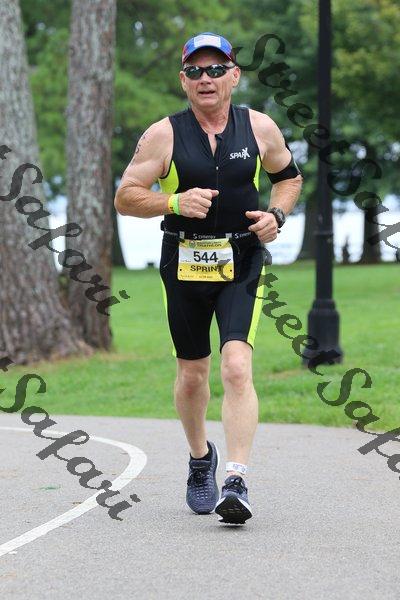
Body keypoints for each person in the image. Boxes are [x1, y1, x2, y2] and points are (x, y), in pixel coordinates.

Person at [114, 32, 303, 524]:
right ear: (183, 80)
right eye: (195, 71)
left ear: (234, 76)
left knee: (236, 366)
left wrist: (277, 216)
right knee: (193, 372)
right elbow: (126, 196)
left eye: (216, 69)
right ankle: (201, 459)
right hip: (183, 261)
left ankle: (236, 480)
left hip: (242, 260)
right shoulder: (163, 135)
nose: (206, 78)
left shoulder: (259, 127)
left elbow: (289, 178)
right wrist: (173, 201)